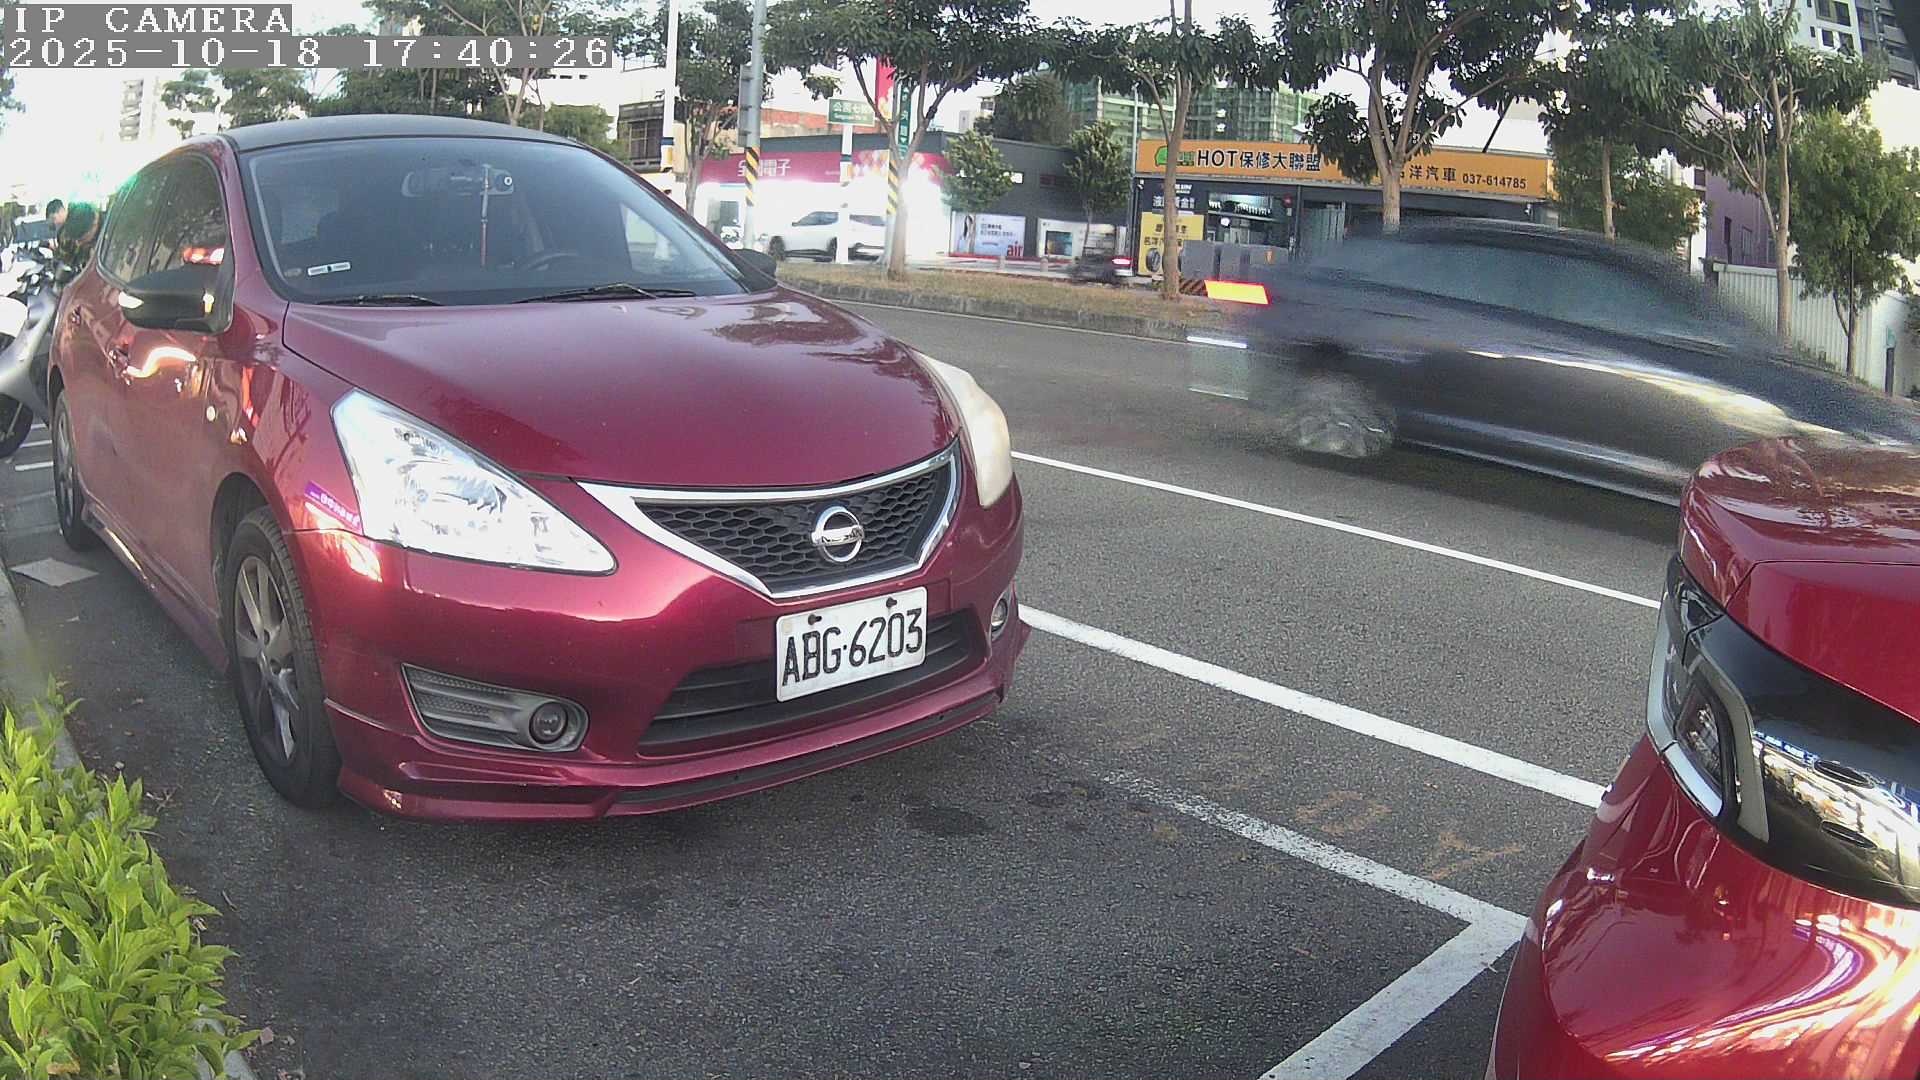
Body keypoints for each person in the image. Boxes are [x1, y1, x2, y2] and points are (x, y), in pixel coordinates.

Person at [53, 202, 100, 268]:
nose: (78, 244)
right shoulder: (65, 233)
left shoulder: (110, 239)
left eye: (82, 239)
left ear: (94, 223)